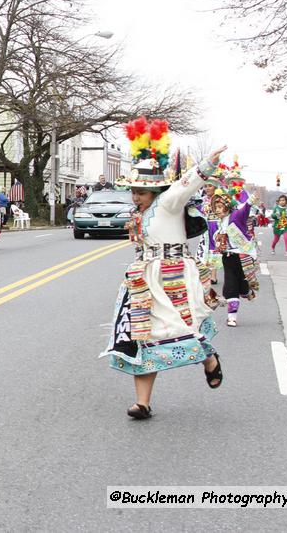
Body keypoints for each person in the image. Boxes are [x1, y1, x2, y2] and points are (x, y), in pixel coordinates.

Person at [101, 117, 224, 420]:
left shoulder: (170, 202)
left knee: (182, 328)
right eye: (132, 191)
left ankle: (208, 359)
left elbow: (188, 183)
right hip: (144, 280)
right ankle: (142, 402)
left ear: (155, 191)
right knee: (141, 335)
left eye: (140, 192)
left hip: (175, 277)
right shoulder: (138, 214)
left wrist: (208, 163)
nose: (135, 197)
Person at [211, 187, 259, 328]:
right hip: (228, 257)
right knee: (231, 286)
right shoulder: (219, 222)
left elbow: (244, 210)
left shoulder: (235, 216)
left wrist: (251, 200)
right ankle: (232, 317)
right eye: (216, 207)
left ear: (227, 207)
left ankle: (247, 291)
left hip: (242, 256)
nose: (217, 210)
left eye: (220, 207)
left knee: (242, 284)